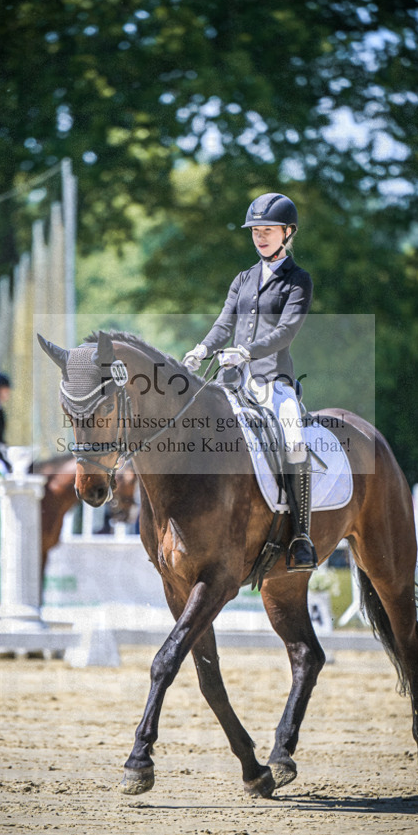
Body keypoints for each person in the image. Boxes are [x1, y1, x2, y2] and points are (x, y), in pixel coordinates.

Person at [183, 191, 317, 569]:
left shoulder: (298, 281)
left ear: (287, 232)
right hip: (231, 381)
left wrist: (248, 351)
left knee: (293, 439)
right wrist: (201, 349)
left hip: (273, 379)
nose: (260, 236)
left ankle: (301, 535)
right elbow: (224, 324)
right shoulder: (243, 279)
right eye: (256, 230)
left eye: (268, 230)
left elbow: (287, 331)